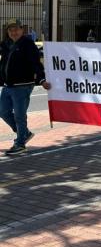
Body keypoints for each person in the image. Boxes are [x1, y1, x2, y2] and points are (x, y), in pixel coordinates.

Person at [0, 19, 51, 155]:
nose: (13, 32)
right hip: (7, 86)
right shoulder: (6, 44)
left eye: (16, 29)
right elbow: (4, 63)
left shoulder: (28, 44)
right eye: (10, 30)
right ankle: (25, 133)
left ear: (22, 30)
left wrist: (41, 79)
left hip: (22, 86)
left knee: (19, 116)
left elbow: (36, 63)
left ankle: (20, 144)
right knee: (3, 112)